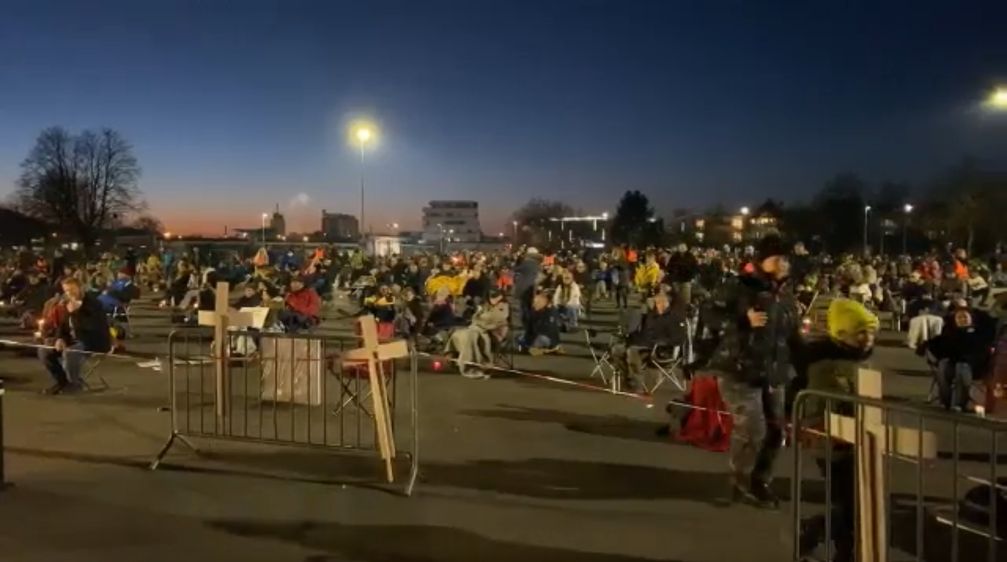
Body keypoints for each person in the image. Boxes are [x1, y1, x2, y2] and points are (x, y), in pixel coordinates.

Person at [695, 233, 802, 508]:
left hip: (774, 373)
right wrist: (742, 320)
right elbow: (708, 313)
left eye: (786, 258)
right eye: (776, 258)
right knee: (753, 430)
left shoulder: (787, 295)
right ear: (761, 260)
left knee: (777, 433)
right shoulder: (739, 286)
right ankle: (740, 482)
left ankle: (760, 480)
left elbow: (792, 336)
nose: (782, 263)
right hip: (739, 370)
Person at [797, 298, 880, 562]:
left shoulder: (856, 358)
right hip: (831, 438)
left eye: (870, 332)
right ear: (842, 333)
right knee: (851, 501)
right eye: (861, 333)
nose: (868, 338)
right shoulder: (824, 362)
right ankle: (840, 547)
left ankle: (825, 534)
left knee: (855, 501)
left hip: (858, 437)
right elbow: (825, 401)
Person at [38, 277, 111, 395]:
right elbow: (62, 325)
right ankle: (62, 382)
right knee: (44, 351)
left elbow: (91, 327)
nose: (70, 293)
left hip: (91, 340)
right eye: (66, 290)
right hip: (71, 339)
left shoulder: (93, 304)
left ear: (80, 288)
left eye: (72, 289)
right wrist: (59, 338)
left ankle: (74, 383)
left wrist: (75, 312)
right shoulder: (65, 304)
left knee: (70, 352)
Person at [612, 291, 683, 391]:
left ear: (665, 304)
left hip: (660, 350)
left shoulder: (673, 318)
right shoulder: (652, 316)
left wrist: (658, 342)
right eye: (656, 303)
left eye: (658, 303)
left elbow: (677, 339)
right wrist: (629, 337)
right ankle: (627, 378)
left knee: (632, 351)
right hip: (644, 344)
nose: (656, 305)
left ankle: (638, 384)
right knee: (617, 349)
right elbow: (643, 332)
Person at [445, 289, 509, 379]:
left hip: (493, 332)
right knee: (458, 333)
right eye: (491, 297)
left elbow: (494, 322)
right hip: (478, 329)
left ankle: (472, 366)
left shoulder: (503, 307)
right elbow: (474, 319)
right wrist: (479, 316)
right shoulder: (485, 306)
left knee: (472, 336)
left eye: (495, 297)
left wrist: (479, 321)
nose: (493, 299)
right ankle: (455, 357)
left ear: (501, 297)